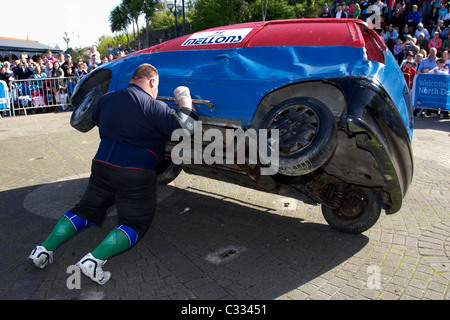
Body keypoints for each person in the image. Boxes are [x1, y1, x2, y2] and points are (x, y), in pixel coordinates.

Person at [28, 63, 198, 285]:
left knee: (84, 210)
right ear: (152, 82)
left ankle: (42, 250)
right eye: (157, 86)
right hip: (135, 173)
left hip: (102, 167)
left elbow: (99, 120)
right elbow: (187, 126)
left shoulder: (105, 101)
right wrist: (183, 96)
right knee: (134, 224)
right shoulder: (152, 107)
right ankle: (94, 261)